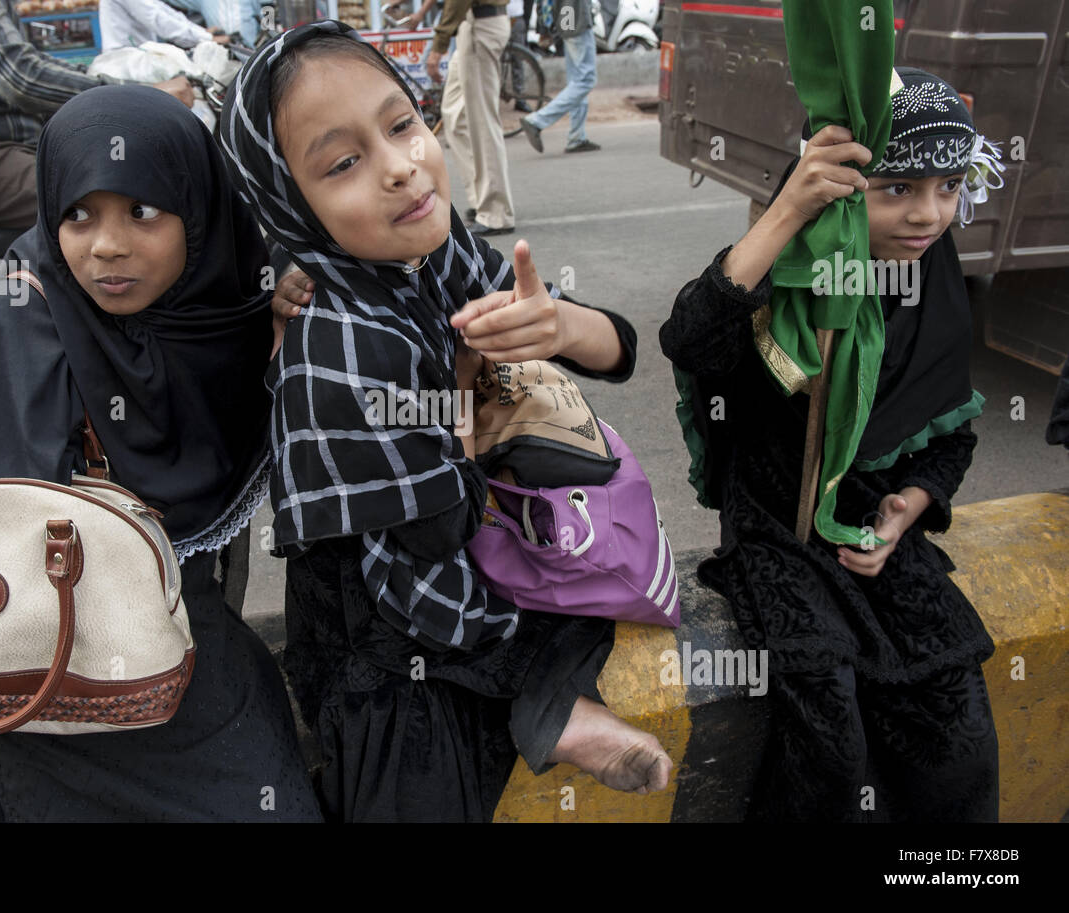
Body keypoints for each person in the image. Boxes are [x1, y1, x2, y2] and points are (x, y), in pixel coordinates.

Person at [218, 21, 673, 822]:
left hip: (448, 534)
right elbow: (435, 534)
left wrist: (559, 326)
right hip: (382, 638)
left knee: (581, 587)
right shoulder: (339, 342)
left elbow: (620, 349)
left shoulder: (431, 248)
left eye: (402, 124)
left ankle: (550, 705)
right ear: (293, 202)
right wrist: (466, 394)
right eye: (344, 163)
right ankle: (552, 707)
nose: (400, 167)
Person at [0, 84, 322, 823]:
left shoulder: (226, 308)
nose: (106, 245)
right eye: (78, 214)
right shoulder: (6, 320)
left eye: (142, 212)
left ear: (198, 217)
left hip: (182, 657)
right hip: (34, 681)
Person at [659, 68, 1001, 822]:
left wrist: (903, 511)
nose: (929, 215)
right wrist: (787, 209)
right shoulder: (790, 269)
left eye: (949, 188)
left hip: (873, 533)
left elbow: (951, 435)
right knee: (831, 732)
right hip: (779, 530)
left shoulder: (931, 279)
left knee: (958, 716)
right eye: (899, 189)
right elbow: (687, 338)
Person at [0, 0, 195, 229]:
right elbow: (22, 79)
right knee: (117, 195)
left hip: (6, 151)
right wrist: (132, 94)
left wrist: (107, 80)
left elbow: (28, 60)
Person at [427, 0, 515, 235]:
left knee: (482, 122)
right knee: (453, 115)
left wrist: (439, 45)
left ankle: (496, 212)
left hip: (480, 24)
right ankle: (481, 199)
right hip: (470, 24)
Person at [519, 0, 599, 154]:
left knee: (577, 80)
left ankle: (577, 137)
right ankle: (537, 121)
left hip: (567, 18)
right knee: (586, 80)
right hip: (574, 17)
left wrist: (544, 27)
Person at [98, 0, 220, 51]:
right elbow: (157, 19)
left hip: (138, 55)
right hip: (126, 59)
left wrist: (203, 32)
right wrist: (207, 38)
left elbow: (165, 12)